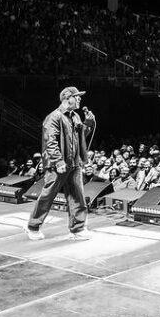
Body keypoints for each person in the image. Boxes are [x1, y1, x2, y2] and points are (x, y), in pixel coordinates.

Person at [26, 87, 95, 241]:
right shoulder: (54, 117)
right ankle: (32, 226)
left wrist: (88, 124)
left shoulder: (75, 116)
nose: (79, 99)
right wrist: (58, 160)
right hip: (59, 164)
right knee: (48, 195)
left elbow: (80, 138)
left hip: (74, 164)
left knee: (78, 196)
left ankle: (77, 228)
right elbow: (50, 141)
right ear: (67, 98)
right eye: (76, 97)